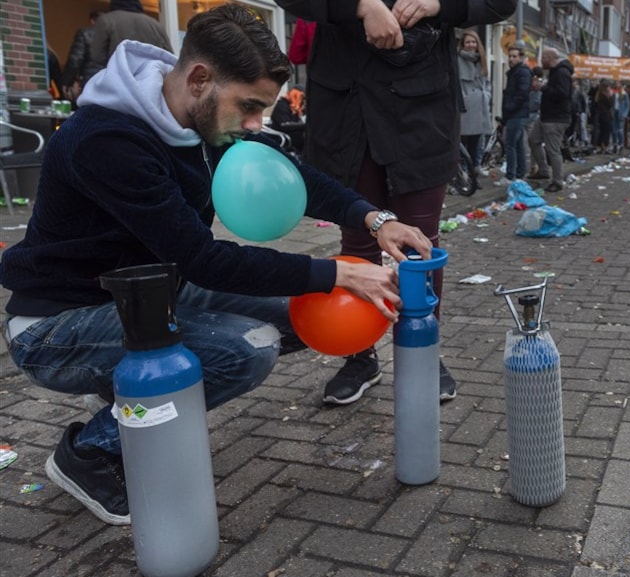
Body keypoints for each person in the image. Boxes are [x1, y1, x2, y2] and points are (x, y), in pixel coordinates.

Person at [0, 5, 433, 526]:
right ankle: (90, 453)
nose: (255, 125)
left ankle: (134, 395)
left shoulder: (205, 121)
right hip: (58, 324)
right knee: (245, 352)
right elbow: (203, 260)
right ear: (200, 78)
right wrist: (338, 272)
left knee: (295, 313)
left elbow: (297, 180)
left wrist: (375, 219)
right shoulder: (107, 140)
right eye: (248, 107)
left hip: (150, 293)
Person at [274, 0, 516, 404]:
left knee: (421, 245)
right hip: (347, 102)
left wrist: (438, 3)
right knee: (357, 239)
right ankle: (359, 353)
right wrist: (360, 6)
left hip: (422, 105)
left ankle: (422, 349)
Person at [83, 0, 172, 85]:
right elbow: (170, 58)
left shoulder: (106, 21)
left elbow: (96, 57)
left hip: (118, 86)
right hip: (152, 86)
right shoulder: (156, 25)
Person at [528, 47, 573, 193]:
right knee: (533, 139)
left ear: (549, 57)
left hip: (556, 118)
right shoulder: (555, 72)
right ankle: (544, 170)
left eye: (543, 58)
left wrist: (543, 88)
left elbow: (563, 93)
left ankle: (558, 181)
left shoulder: (562, 72)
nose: (541, 61)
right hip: (547, 116)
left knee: (553, 149)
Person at [456, 30, 491, 180]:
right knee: (463, 141)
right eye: (468, 42)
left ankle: (474, 173)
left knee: (477, 141)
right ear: (463, 44)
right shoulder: (457, 59)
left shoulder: (481, 59)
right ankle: (463, 173)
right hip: (467, 105)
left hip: (480, 104)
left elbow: (487, 81)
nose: (471, 45)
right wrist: (463, 98)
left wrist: (487, 95)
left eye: (474, 42)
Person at [501, 44, 532, 182]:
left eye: (514, 56)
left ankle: (511, 175)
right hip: (517, 113)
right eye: (510, 56)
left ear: (521, 58)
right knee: (518, 145)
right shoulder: (516, 72)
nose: (511, 59)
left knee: (510, 144)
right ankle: (519, 174)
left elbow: (522, 94)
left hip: (517, 113)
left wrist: (509, 106)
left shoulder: (522, 72)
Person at [62, 10, 103, 105]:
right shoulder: (113, 37)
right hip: (107, 85)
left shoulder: (85, 33)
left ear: (92, 21)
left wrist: (67, 82)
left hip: (88, 83)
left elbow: (75, 60)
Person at [270, 86, 307, 155]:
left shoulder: (298, 107)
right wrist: (303, 126)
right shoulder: (282, 105)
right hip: (282, 135)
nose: (302, 100)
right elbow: (284, 125)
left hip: (293, 134)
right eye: (301, 97)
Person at [593, 80, 613, 154]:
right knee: (606, 131)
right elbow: (610, 104)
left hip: (602, 115)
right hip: (605, 116)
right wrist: (610, 96)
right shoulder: (604, 96)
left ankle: (601, 145)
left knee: (602, 131)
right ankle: (604, 145)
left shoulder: (599, 95)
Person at [612, 82, 629, 154]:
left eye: (618, 83)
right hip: (614, 112)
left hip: (620, 113)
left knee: (620, 130)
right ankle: (615, 144)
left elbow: (627, 105)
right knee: (613, 130)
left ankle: (621, 145)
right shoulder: (613, 92)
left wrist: (624, 114)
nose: (617, 85)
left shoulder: (624, 94)